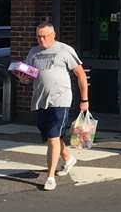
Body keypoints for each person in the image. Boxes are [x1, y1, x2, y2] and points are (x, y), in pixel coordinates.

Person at [25, 20, 89, 192]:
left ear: (53, 35)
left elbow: (81, 75)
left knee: (53, 138)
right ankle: (68, 158)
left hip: (61, 100)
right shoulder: (33, 52)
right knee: (51, 136)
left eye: (45, 36)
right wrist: (22, 76)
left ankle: (51, 176)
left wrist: (84, 100)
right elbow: (29, 76)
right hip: (40, 100)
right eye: (38, 36)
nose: (41, 40)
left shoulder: (65, 50)